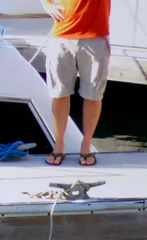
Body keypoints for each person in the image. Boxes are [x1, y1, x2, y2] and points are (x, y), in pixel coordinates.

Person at [41, 0, 111, 166]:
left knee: (93, 95)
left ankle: (86, 146)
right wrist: (47, 4)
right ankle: (58, 145)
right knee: (59, 94)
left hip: (95, 36)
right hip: (62, 36)